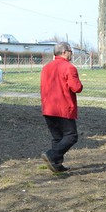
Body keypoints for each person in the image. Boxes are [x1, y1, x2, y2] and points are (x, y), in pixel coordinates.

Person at [40, 41, 83, 173]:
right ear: (64, 52)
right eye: (70, 51)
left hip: (48, 108)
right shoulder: (69, 67)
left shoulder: (46, 67)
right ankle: (52, 155)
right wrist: (80, 84)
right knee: (71, 136)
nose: (71, 54)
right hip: (63, 108)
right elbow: (76, 88)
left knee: (58, 138)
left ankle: (56, 165)